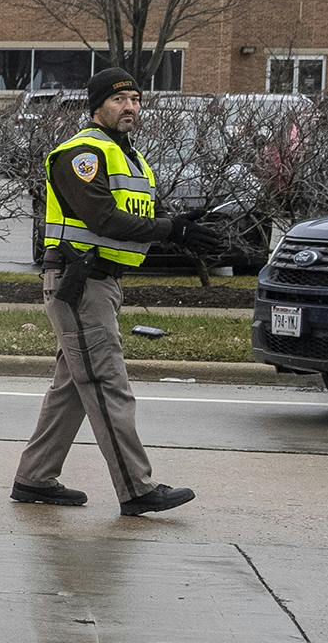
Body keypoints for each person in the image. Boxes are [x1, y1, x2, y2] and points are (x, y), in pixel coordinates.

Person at [12, 68, 211, 517]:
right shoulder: (81, 154)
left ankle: (34, 478)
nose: (131, 108)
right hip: (79, 283)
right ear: (97, 106)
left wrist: (184, 228)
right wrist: (172, 229)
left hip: (101, 285)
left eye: (137, 100)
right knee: (106, 384)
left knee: (72, 388)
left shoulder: (132, 159)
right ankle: (136, 488)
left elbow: (141, 216)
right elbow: (103, 219)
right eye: (120, 100)